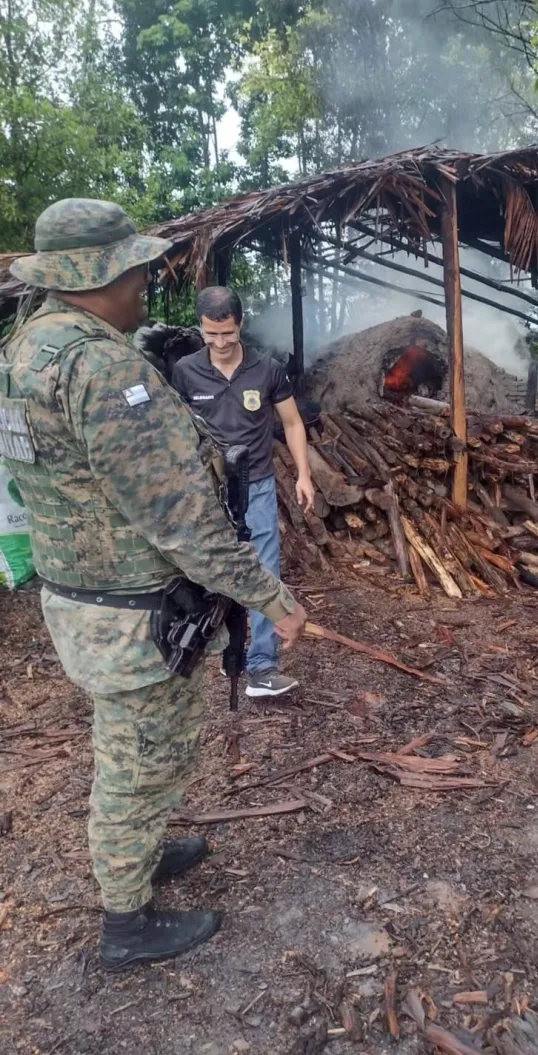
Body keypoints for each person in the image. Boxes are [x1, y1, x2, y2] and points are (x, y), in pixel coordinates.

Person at [0, 199, 307, 969]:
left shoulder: (28, 347)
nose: (145, 279)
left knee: (148, 748)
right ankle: (125, 921)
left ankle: (143, 854)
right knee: (135, 759)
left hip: (85, 595)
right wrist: (270, 596)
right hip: (132, 613)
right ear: (96, 274)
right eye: (133, 267)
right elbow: (182, 519)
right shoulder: (100, 367)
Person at [171, 286, 314, 698]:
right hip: (205, 491)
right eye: (210, 335)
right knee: (204, 571)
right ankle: (221, 650)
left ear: (240, 325)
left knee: (264, 569)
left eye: (227, 334)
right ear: (201, 329)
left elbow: (291, 424)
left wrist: (304, 474)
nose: (219, 343)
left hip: (257, 487)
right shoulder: (184, 371)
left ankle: (263, 667)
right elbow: (176, 433)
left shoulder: (267, 369)